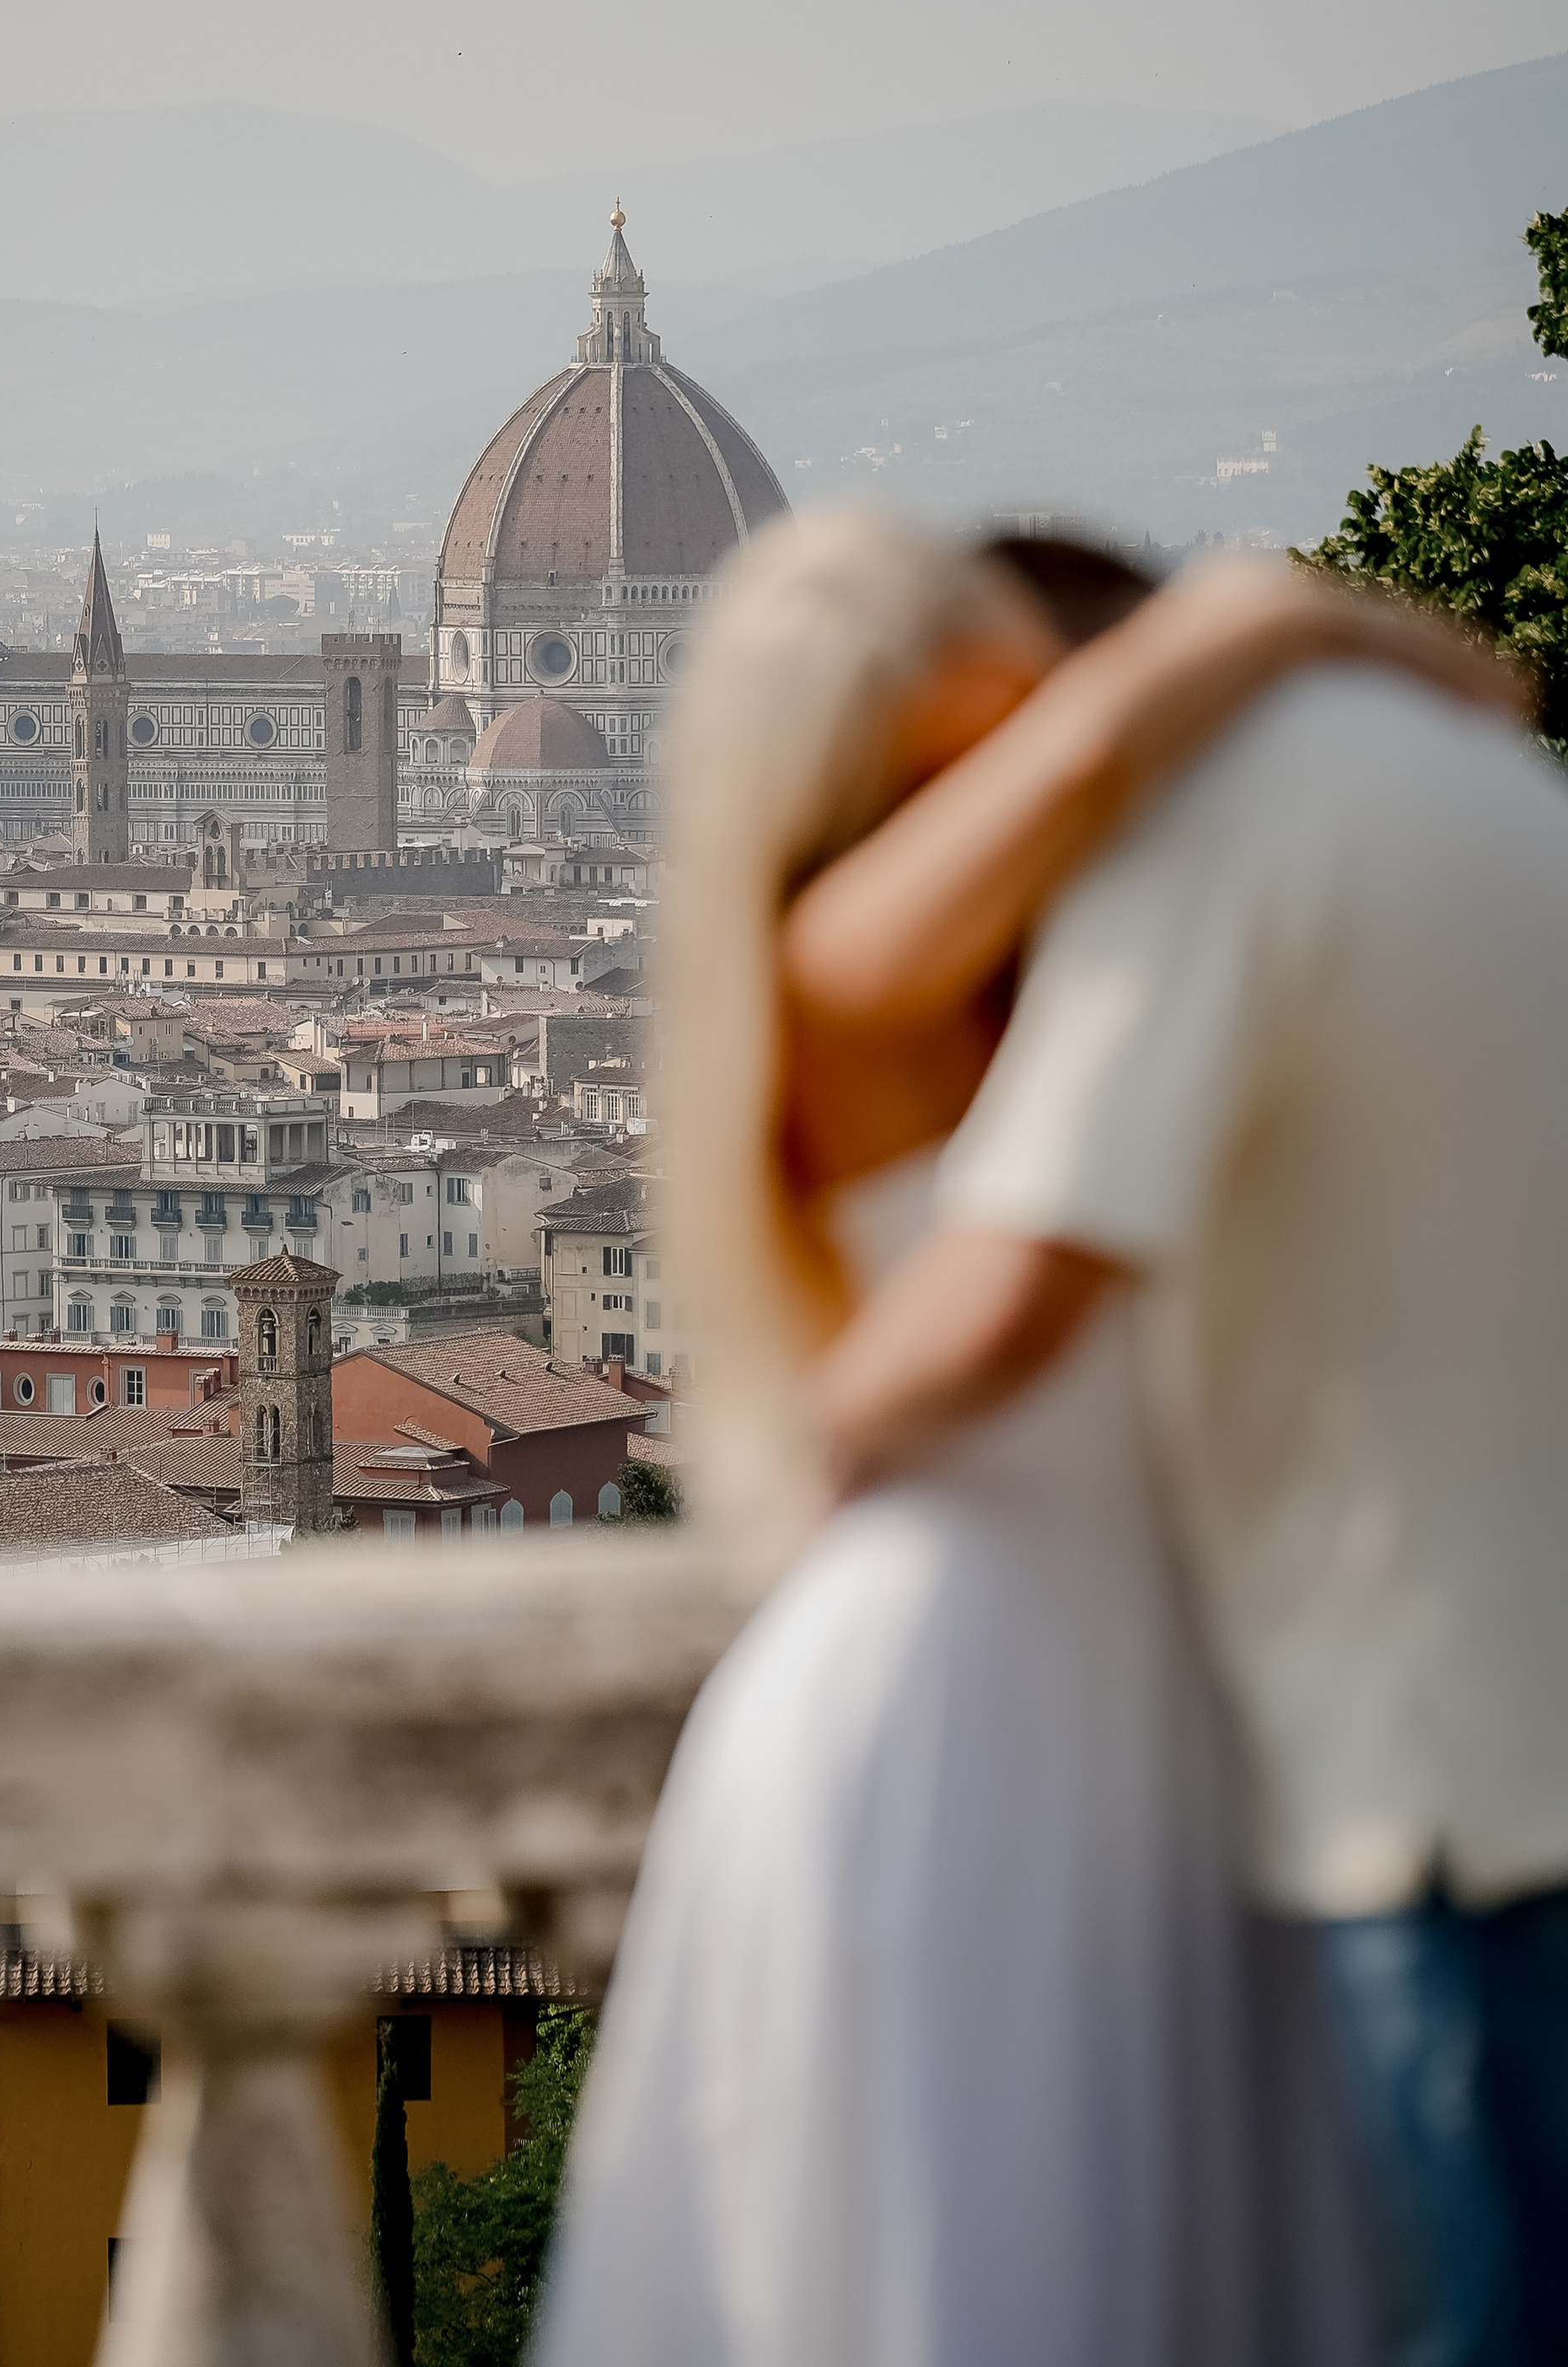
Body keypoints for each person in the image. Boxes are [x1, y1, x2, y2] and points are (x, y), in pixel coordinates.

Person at [534, 507, 1517, 2367]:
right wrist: (1246, 630)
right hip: (966, 1693)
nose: (1023, 789)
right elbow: (1006, 1306)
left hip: (1124, 1680)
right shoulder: (851, 960)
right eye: (942, 756)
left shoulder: (1007, 969)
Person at [803, 566, 1568, 2367]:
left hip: (1457, 1785)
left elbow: (1001, 1297)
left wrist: (798, 1432)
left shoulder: (1215, 822)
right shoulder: (1457, 783)